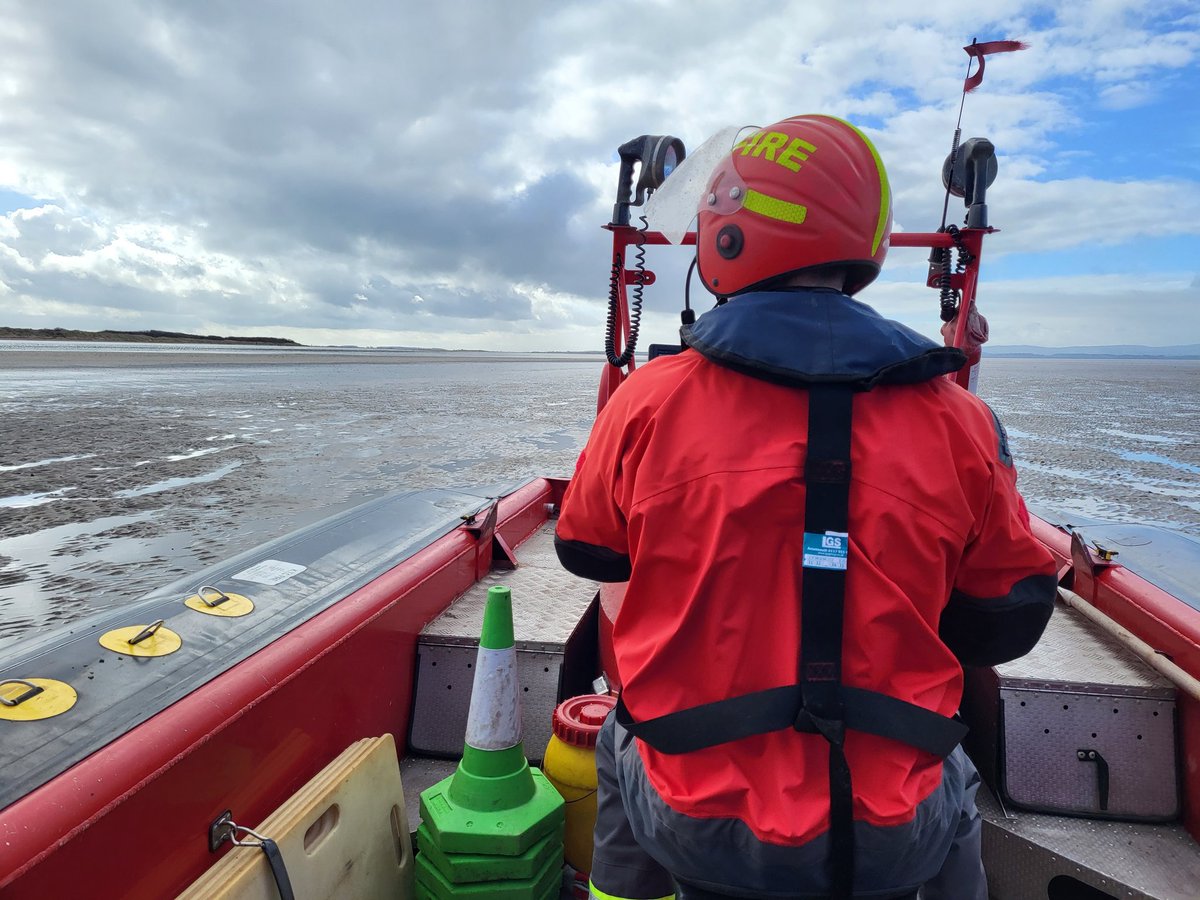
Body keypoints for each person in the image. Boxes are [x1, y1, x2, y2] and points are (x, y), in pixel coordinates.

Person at [554, 114, 1058, 900]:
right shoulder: (960, 419)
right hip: (888, 839)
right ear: (867, 241)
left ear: (726, 232)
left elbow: (589, 553)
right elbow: (1006, 622)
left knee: (624, 727)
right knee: (951, 772)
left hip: (697, 825)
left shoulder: (646, 401)